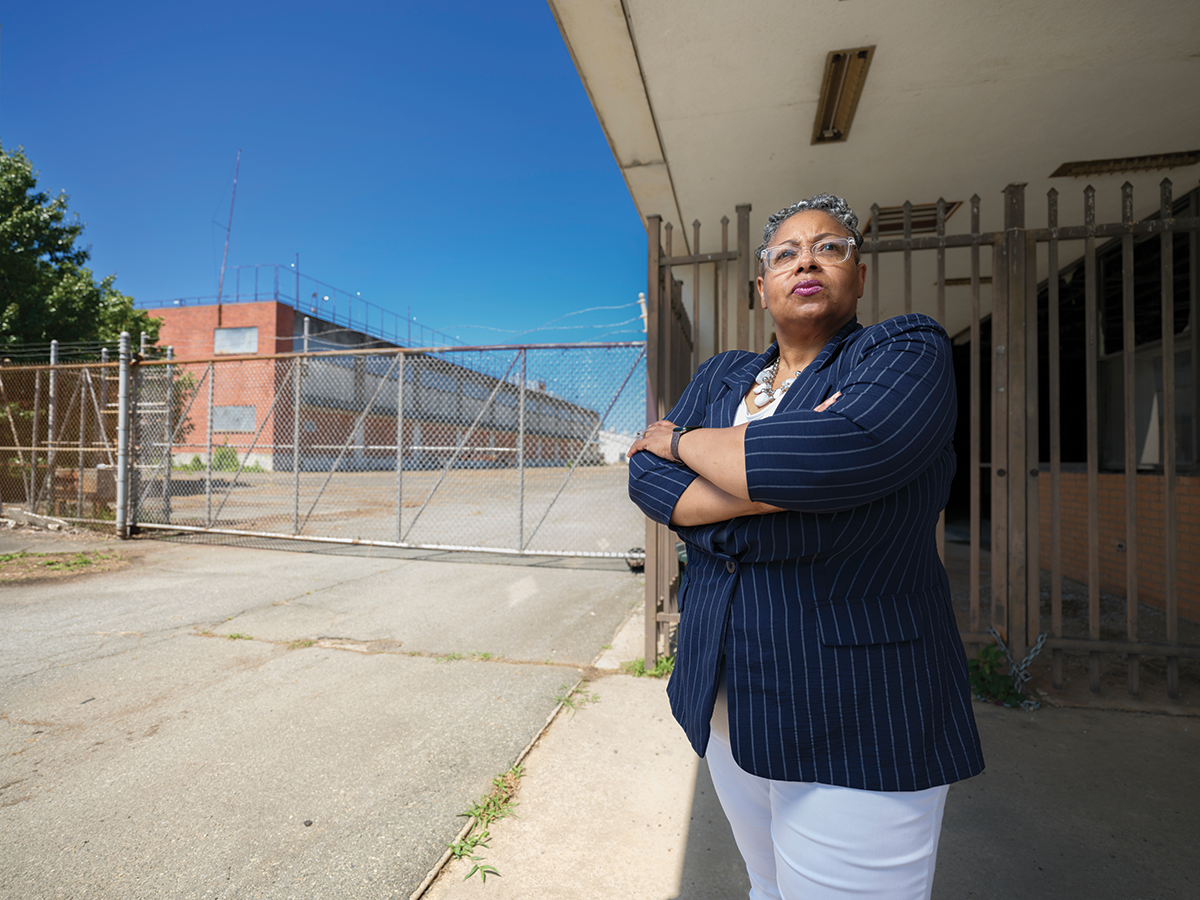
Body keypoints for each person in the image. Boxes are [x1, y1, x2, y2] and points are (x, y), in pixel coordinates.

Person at [627, 193, 983, 900]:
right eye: (784, 254)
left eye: (830, 247)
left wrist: (685, 444)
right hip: (729, 694)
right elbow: (645, 477)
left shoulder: (903, 351)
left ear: (858, 275)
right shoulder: (724, 375)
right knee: (768, 887)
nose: (807, 261)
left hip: (858, 705)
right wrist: (777, 476)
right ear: (761, 287)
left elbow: (839, 454)